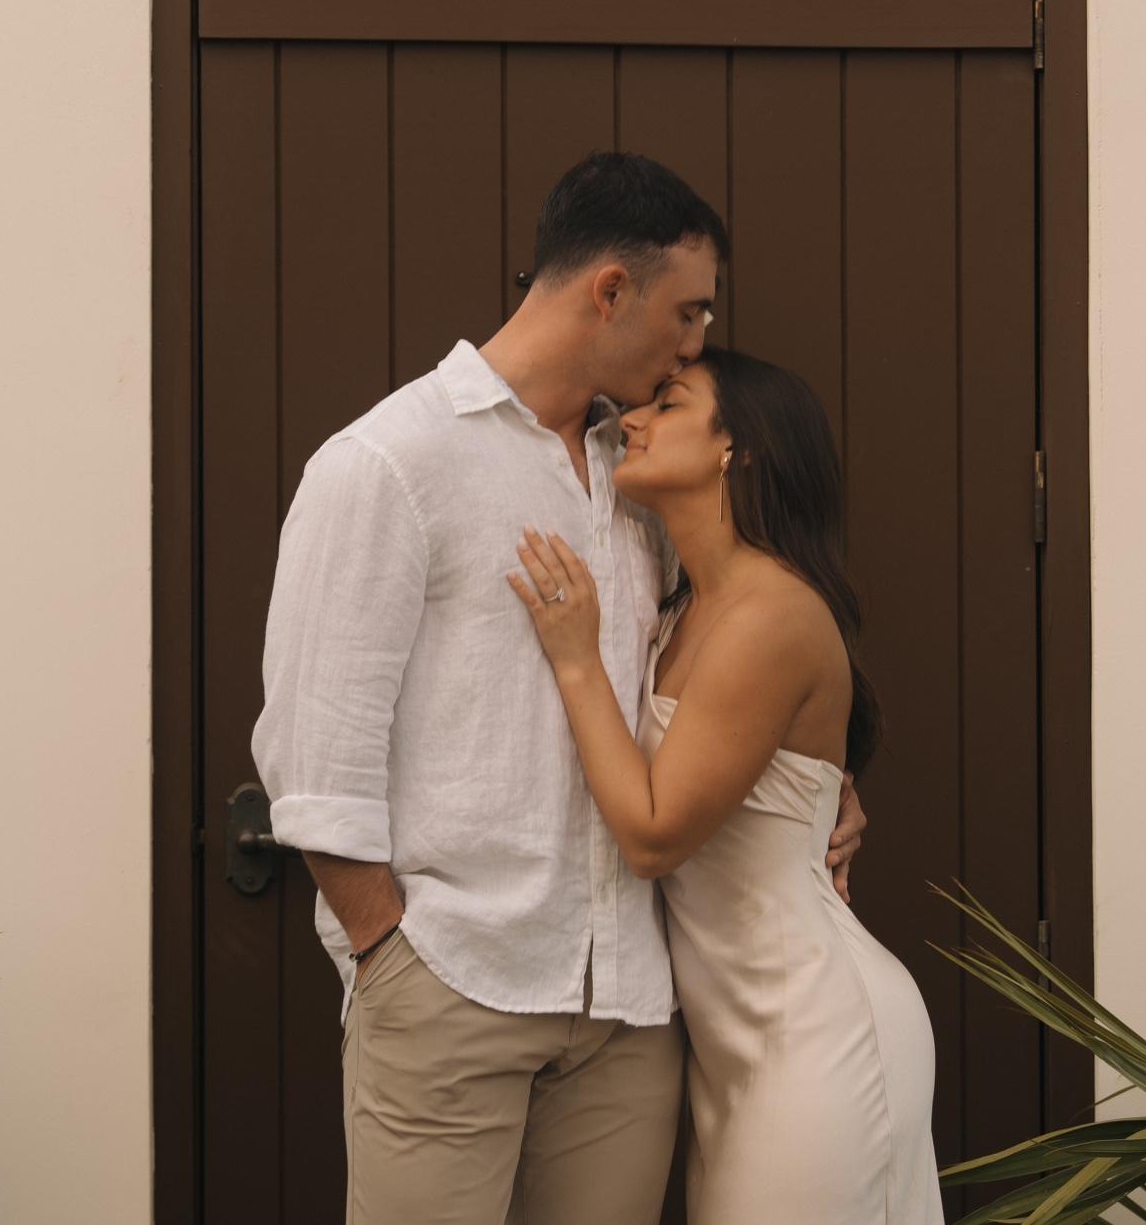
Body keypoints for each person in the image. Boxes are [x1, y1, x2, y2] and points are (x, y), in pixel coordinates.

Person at [251, 152, 867, 1225]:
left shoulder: (638, 475)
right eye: (687, 312)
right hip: (455, 981)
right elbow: (314, 756)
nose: (695, 343)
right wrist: (389, 952)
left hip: (630, 1009)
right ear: (611, 291)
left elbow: (725, 662)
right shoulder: (387, 464)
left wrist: (822, 789)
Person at [509, 346, 943, 1222]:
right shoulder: (682, 604)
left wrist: (577, 660)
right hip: (732, 1043)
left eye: (668, 404)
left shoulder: (773, 613)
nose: (630, 420)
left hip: (816, 1027)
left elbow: (653, 834)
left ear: (735, 449)